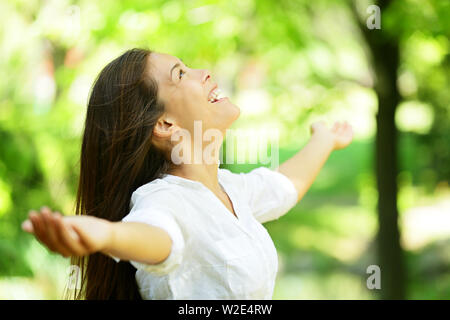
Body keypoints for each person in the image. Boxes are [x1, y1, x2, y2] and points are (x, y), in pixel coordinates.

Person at [21, 48, 353, 300]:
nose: (204, 72)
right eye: (180, 74)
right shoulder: (163, 200)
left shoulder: (229, 189)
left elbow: (284, 186)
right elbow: (158, 237)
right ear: (165, 125)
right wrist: (108, 236)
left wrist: (324, 140)